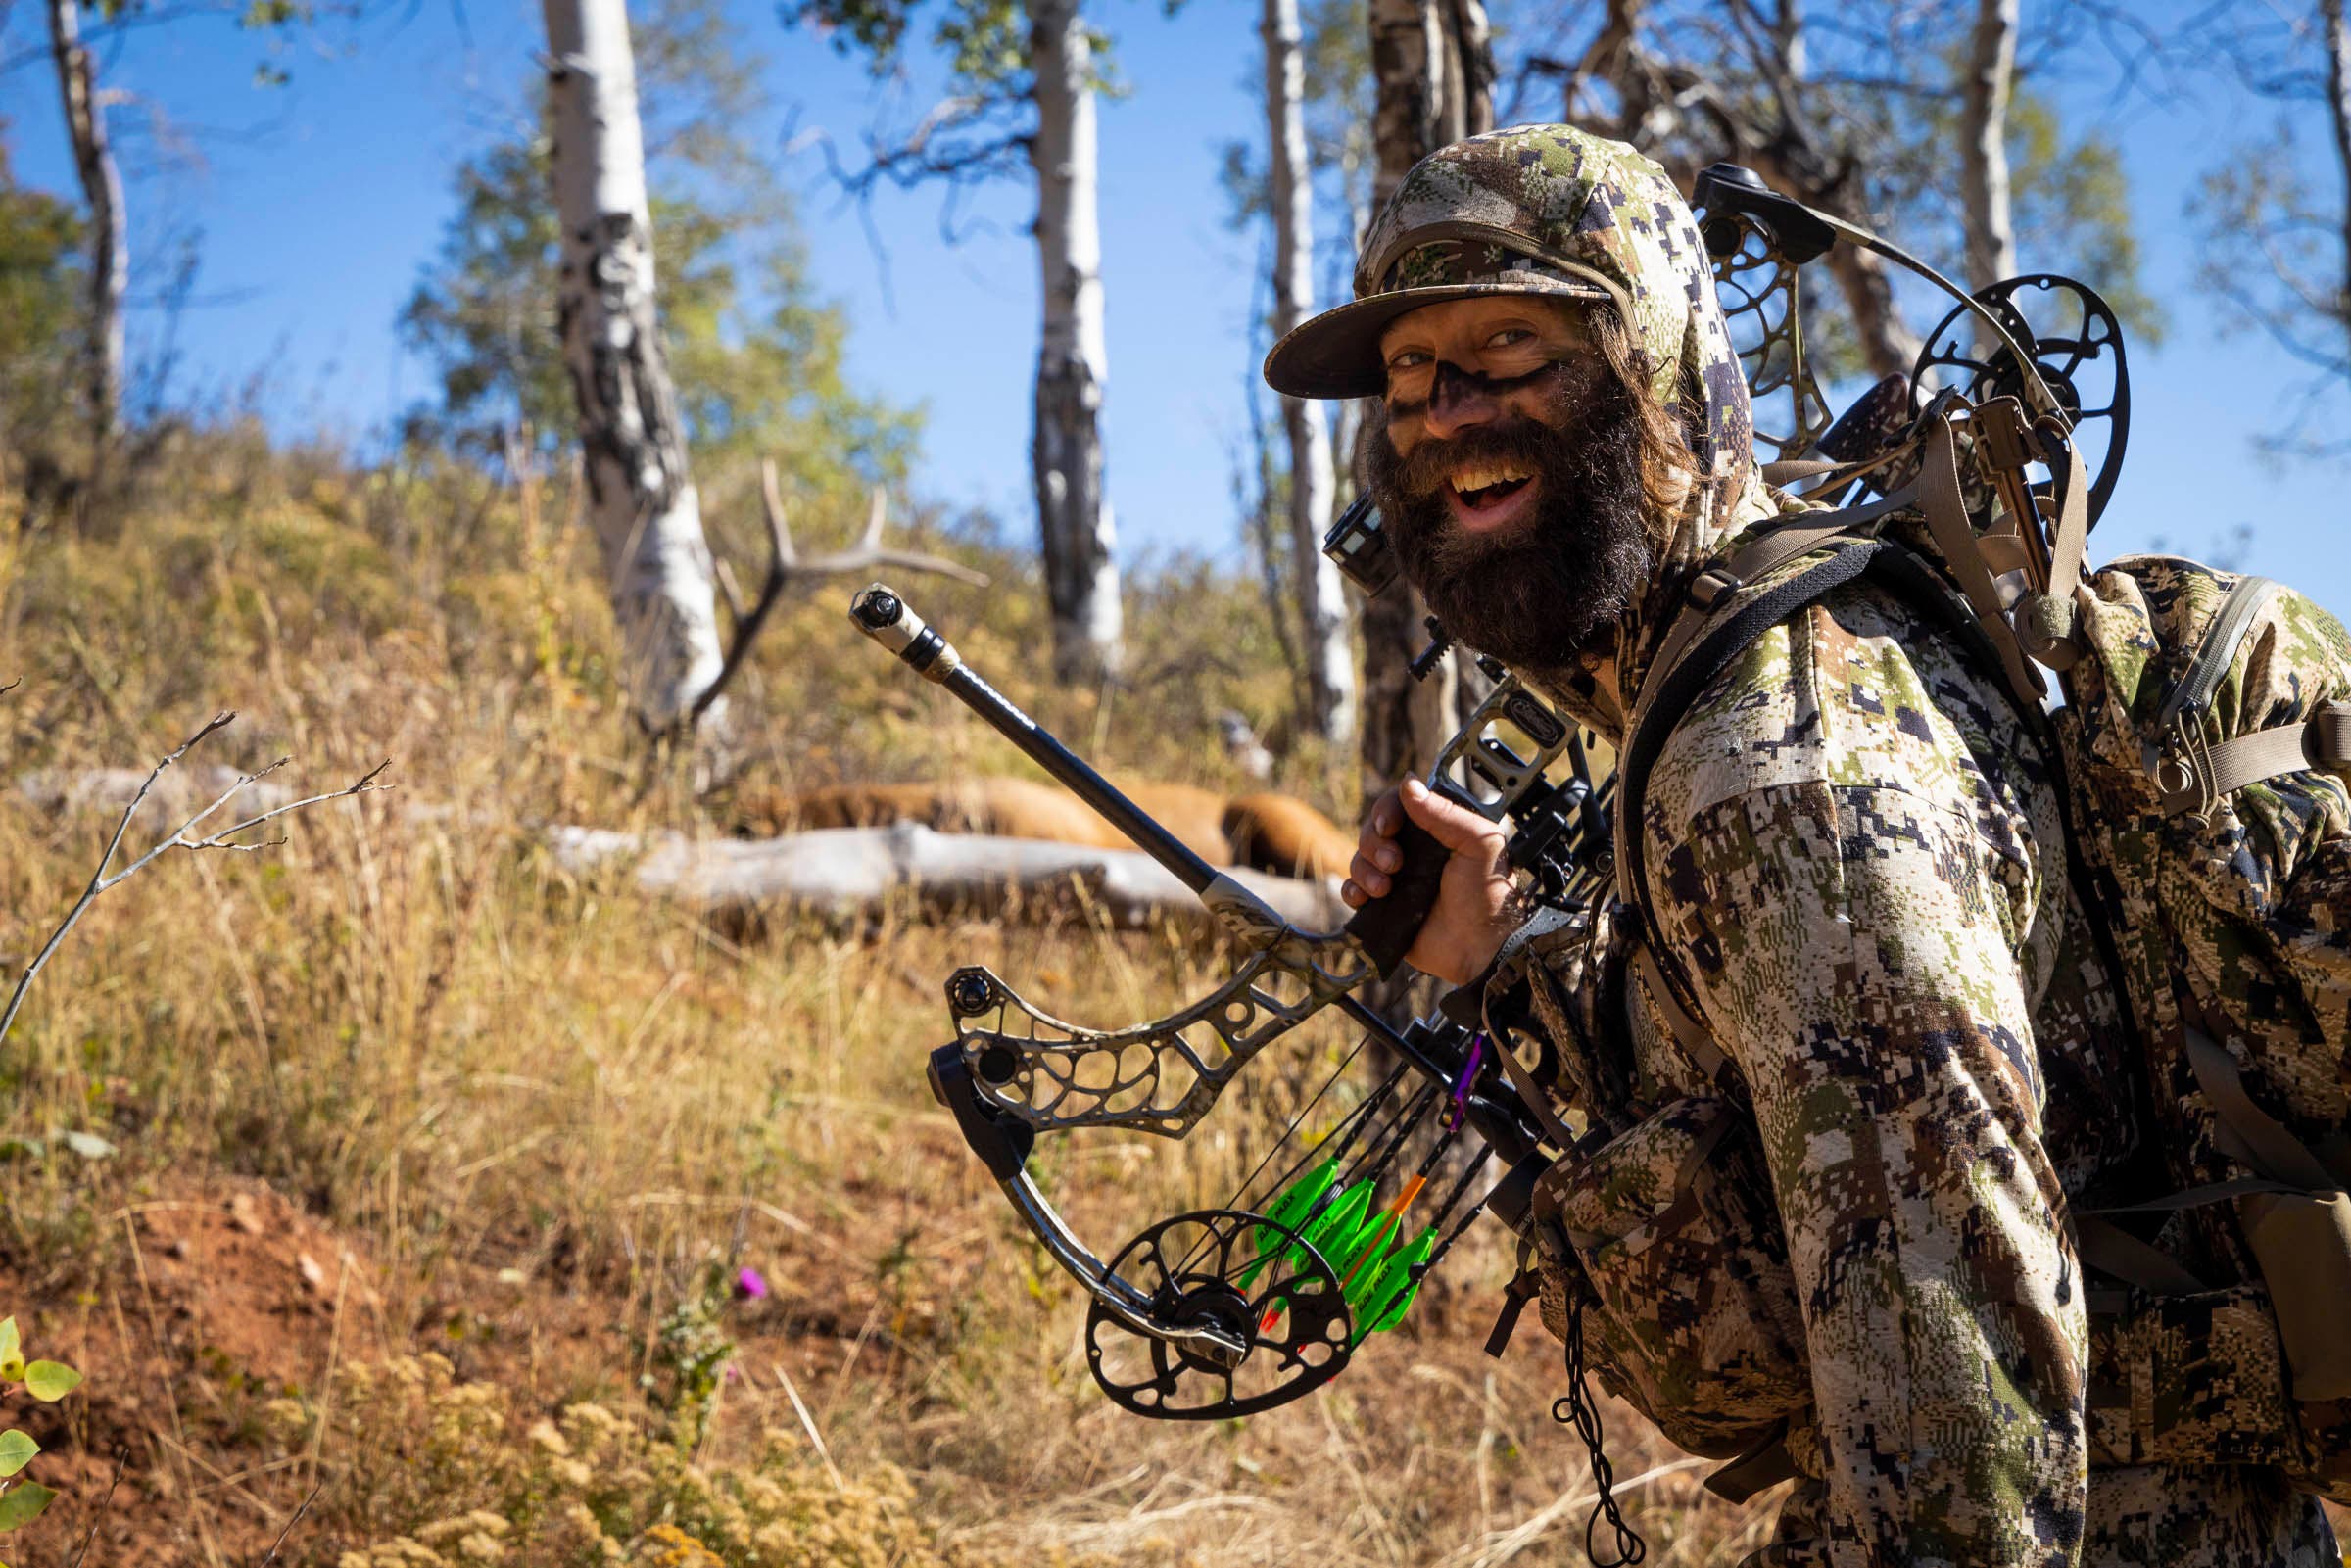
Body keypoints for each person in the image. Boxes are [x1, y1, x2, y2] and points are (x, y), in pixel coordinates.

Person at [1264, 122, 2338, 1567]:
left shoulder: (1775, 771)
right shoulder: (1720, 662)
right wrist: (1500, 957)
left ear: (1655, 367)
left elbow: (1964, 1431)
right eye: (1408, 372)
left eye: (1513, 346)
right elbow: (1759, 1102)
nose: (1446, 410)